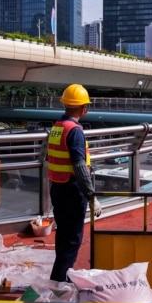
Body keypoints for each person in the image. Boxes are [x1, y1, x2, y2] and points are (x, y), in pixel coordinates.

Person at [47, 83, 95, 282]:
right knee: (73, 240)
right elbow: (79, 165)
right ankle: (59, 282)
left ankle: (60, 278)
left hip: (57, 188)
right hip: (72, 191)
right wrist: (92, 196)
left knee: (63, 237)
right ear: (83, 108)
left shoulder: (57, 128)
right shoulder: (74, 131)